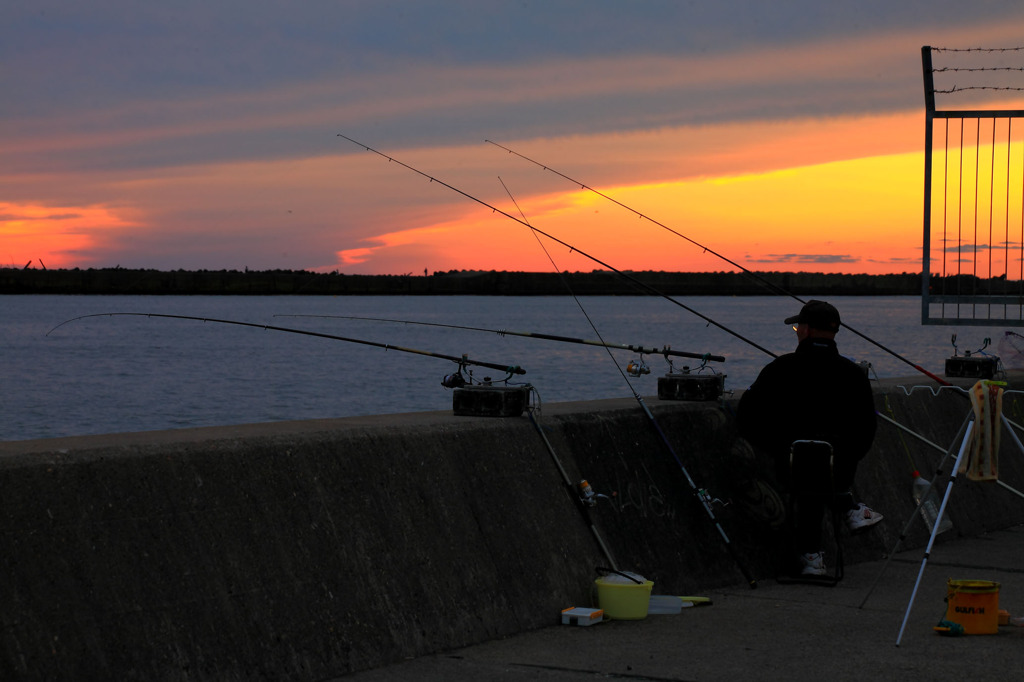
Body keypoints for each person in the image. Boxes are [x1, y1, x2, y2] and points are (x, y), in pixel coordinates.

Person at [737, 300, 883, 576]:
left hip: (791, 465)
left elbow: (747, 416)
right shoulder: (854, 375)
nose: (796, 331)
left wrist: (776, 448)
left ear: (805, 330)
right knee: (822, 466)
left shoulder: (780, 369)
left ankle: (812, 556)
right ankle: (846, 505)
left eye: (797, 327)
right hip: (838, 471)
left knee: (807, 470)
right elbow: (867, 429)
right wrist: (848, 457)